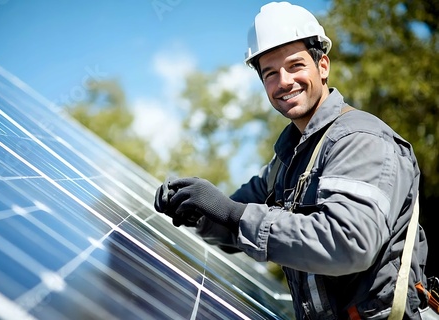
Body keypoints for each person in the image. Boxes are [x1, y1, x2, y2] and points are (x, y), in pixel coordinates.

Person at [153, 2, 435, 319]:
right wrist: (199, 213)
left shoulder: (359, 140)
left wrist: (232, 213)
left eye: (295, 65)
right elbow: (237, 223)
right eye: (270, 73)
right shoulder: (289, 159)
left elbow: (348, 243)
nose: (284, 82)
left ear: (323, 66)